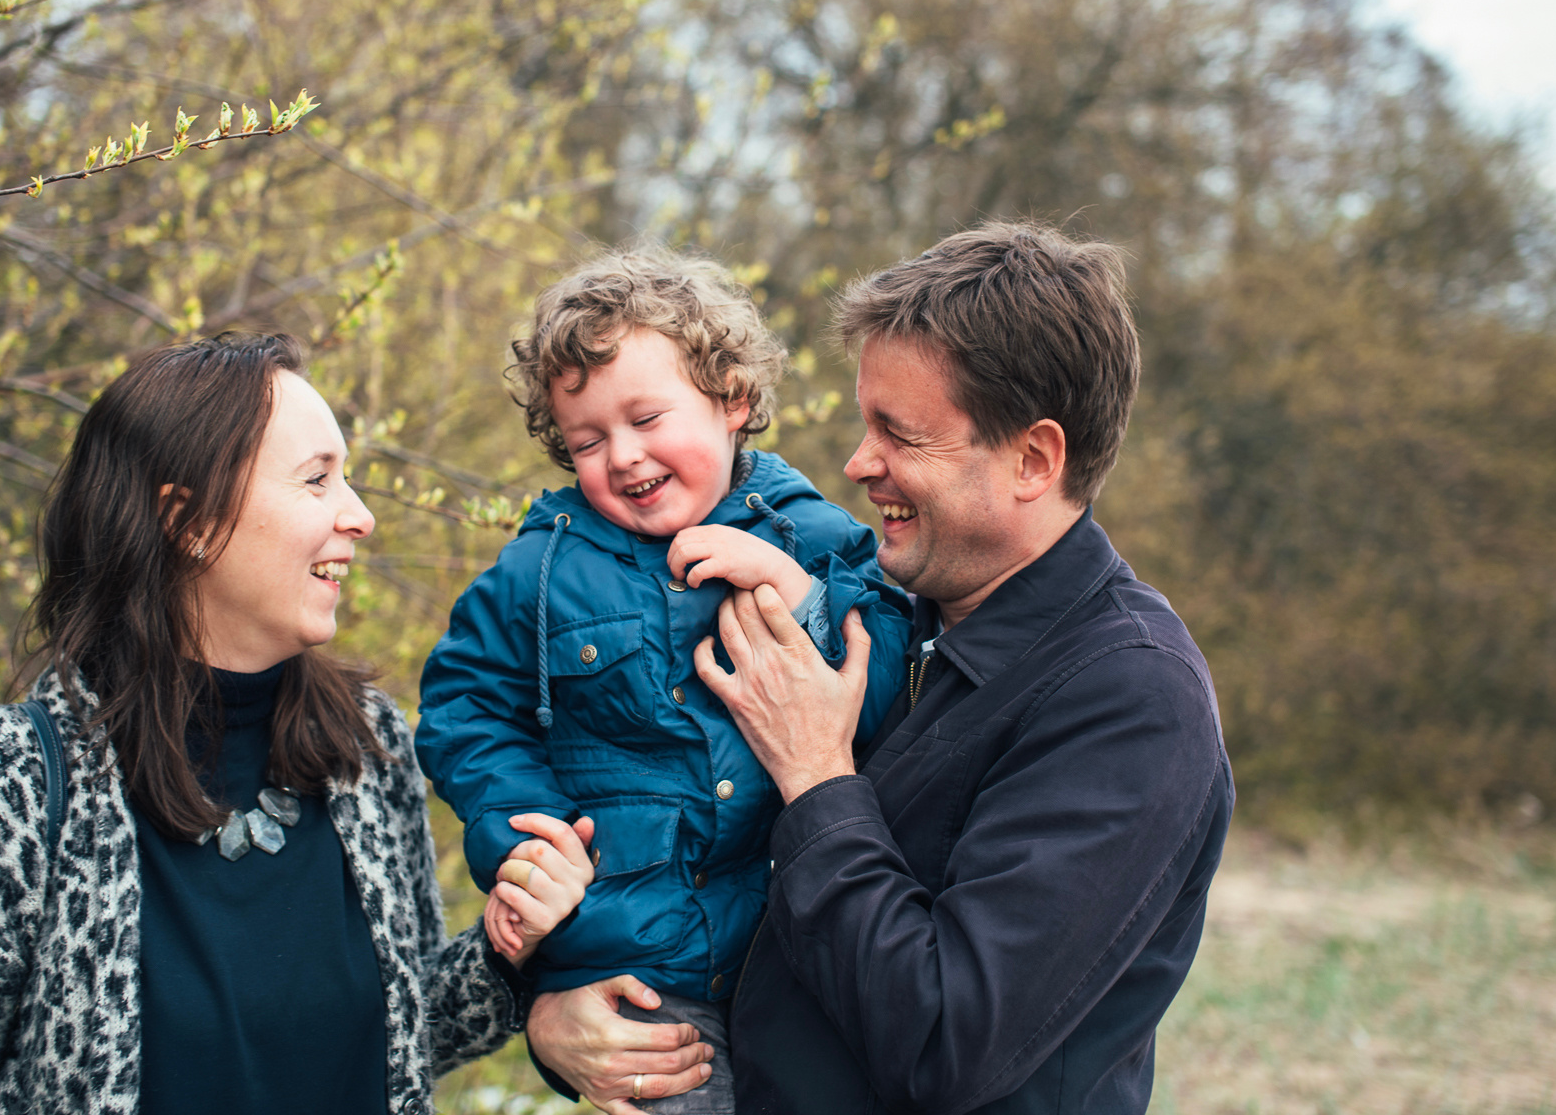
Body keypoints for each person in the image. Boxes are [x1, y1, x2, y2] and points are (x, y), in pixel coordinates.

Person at [528, 220, 1235, 1114]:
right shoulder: (882, 617)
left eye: (900, 434)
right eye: (867, 424)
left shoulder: (1132, 699)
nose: (860, 464)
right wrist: (558, 1011)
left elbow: (950, 1042)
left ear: (1033, 459)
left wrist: (817, 774)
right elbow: (670, 847)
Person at [0, 332, 593, 1115]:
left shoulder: (365, 748)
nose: (360, 516)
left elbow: (392, 1037)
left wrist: (512, 948)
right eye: (316, 481)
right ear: (188, 520)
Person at [414, 248, 914, 1112]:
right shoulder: (539, 571)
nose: (624, 455)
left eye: (647, 417)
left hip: (794, 952)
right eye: (588, 441)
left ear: (733, 401)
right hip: (638, 971)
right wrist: (527, 838)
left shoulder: (818, 542)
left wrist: (797, 598)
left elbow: (885, 697)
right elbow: (464, 709)